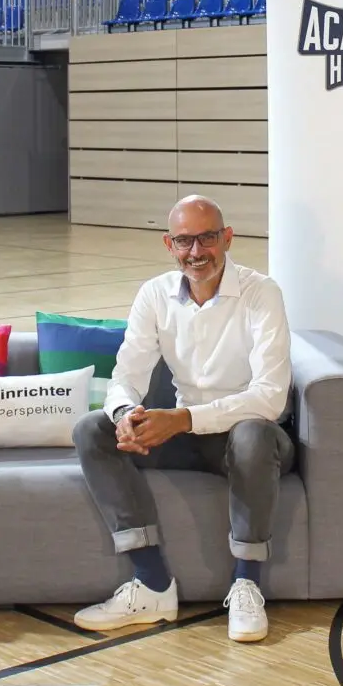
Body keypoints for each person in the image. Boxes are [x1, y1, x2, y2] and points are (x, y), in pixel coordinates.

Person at [72, 195, 294, 643]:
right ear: (168, 245)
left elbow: (269, 398)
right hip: (186, 433)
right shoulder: (154, 294)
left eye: (208, 238)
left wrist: (184, 418)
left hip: (247, 439)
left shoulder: (261, 292)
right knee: (92, 430)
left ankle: (246, 583)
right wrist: (125, 415)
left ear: (227, 238)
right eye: (184, 241)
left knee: (252, 434)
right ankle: (152, 584)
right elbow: (125, 376)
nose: (197, 252)